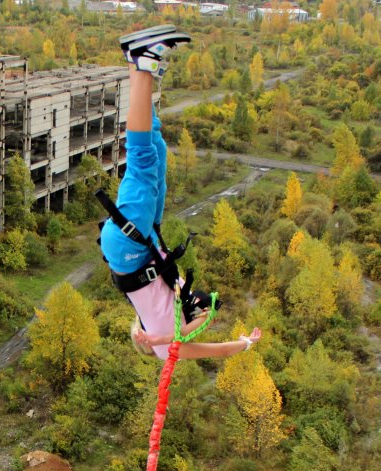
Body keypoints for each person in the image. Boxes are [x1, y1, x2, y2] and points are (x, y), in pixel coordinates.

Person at [100, 26, 262, 360]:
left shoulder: (163, 344)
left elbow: (193, 343)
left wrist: (210, 319)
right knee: (156, 153)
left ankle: (142, 61)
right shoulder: (165, 309)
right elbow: (198, 331)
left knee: (142, 162)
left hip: (129, 248)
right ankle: (135, 64)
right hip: (140, 241)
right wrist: (241, 338)